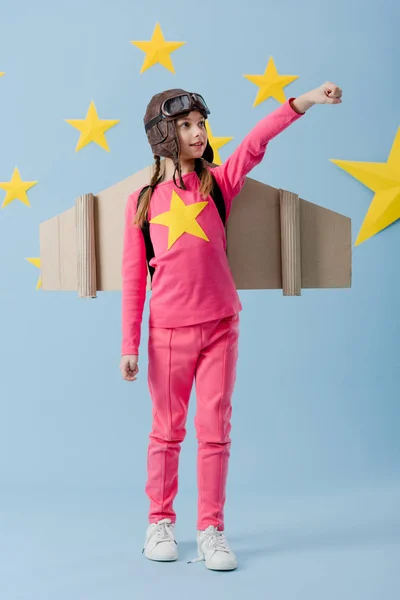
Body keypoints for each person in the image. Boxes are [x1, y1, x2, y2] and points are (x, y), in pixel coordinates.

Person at [119, 83, 343, 571]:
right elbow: (134, 279)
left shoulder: (219, 183)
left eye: (201, 124)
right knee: (166, 432)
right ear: (163, 134)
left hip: (221, 327)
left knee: (215, 432)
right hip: (168, 335)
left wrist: (302, 101)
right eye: (185, 125)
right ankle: (159, 521)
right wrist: (128, 345)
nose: (198, 133)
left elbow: (255, 142)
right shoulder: (142, 202)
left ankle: (211, 529)